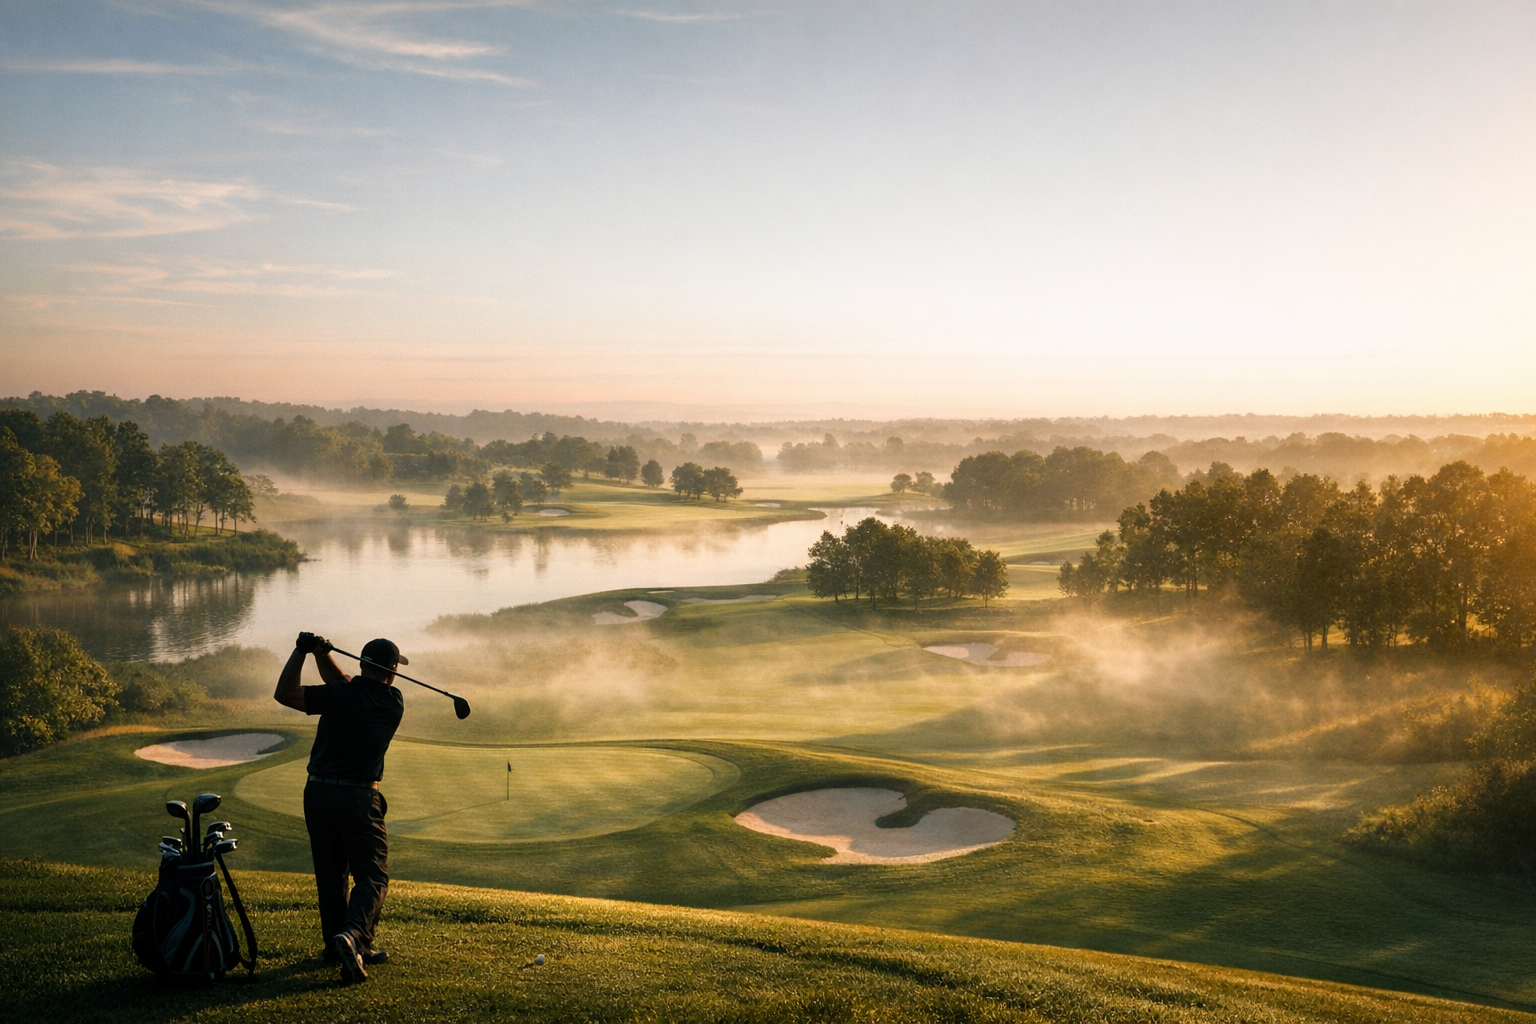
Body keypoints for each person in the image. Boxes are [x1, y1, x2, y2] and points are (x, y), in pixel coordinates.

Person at [275, 631, 407, 984]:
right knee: (372, 875)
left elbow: (285, 693)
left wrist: (303, 652)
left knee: (332, 874)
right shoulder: (393, 701)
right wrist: (318, 653)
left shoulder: (342, 695)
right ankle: (352, 937)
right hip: (359, 798)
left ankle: (340, 945)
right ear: (392, 672)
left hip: (317, 794)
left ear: (364, 664)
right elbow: (345, 684)